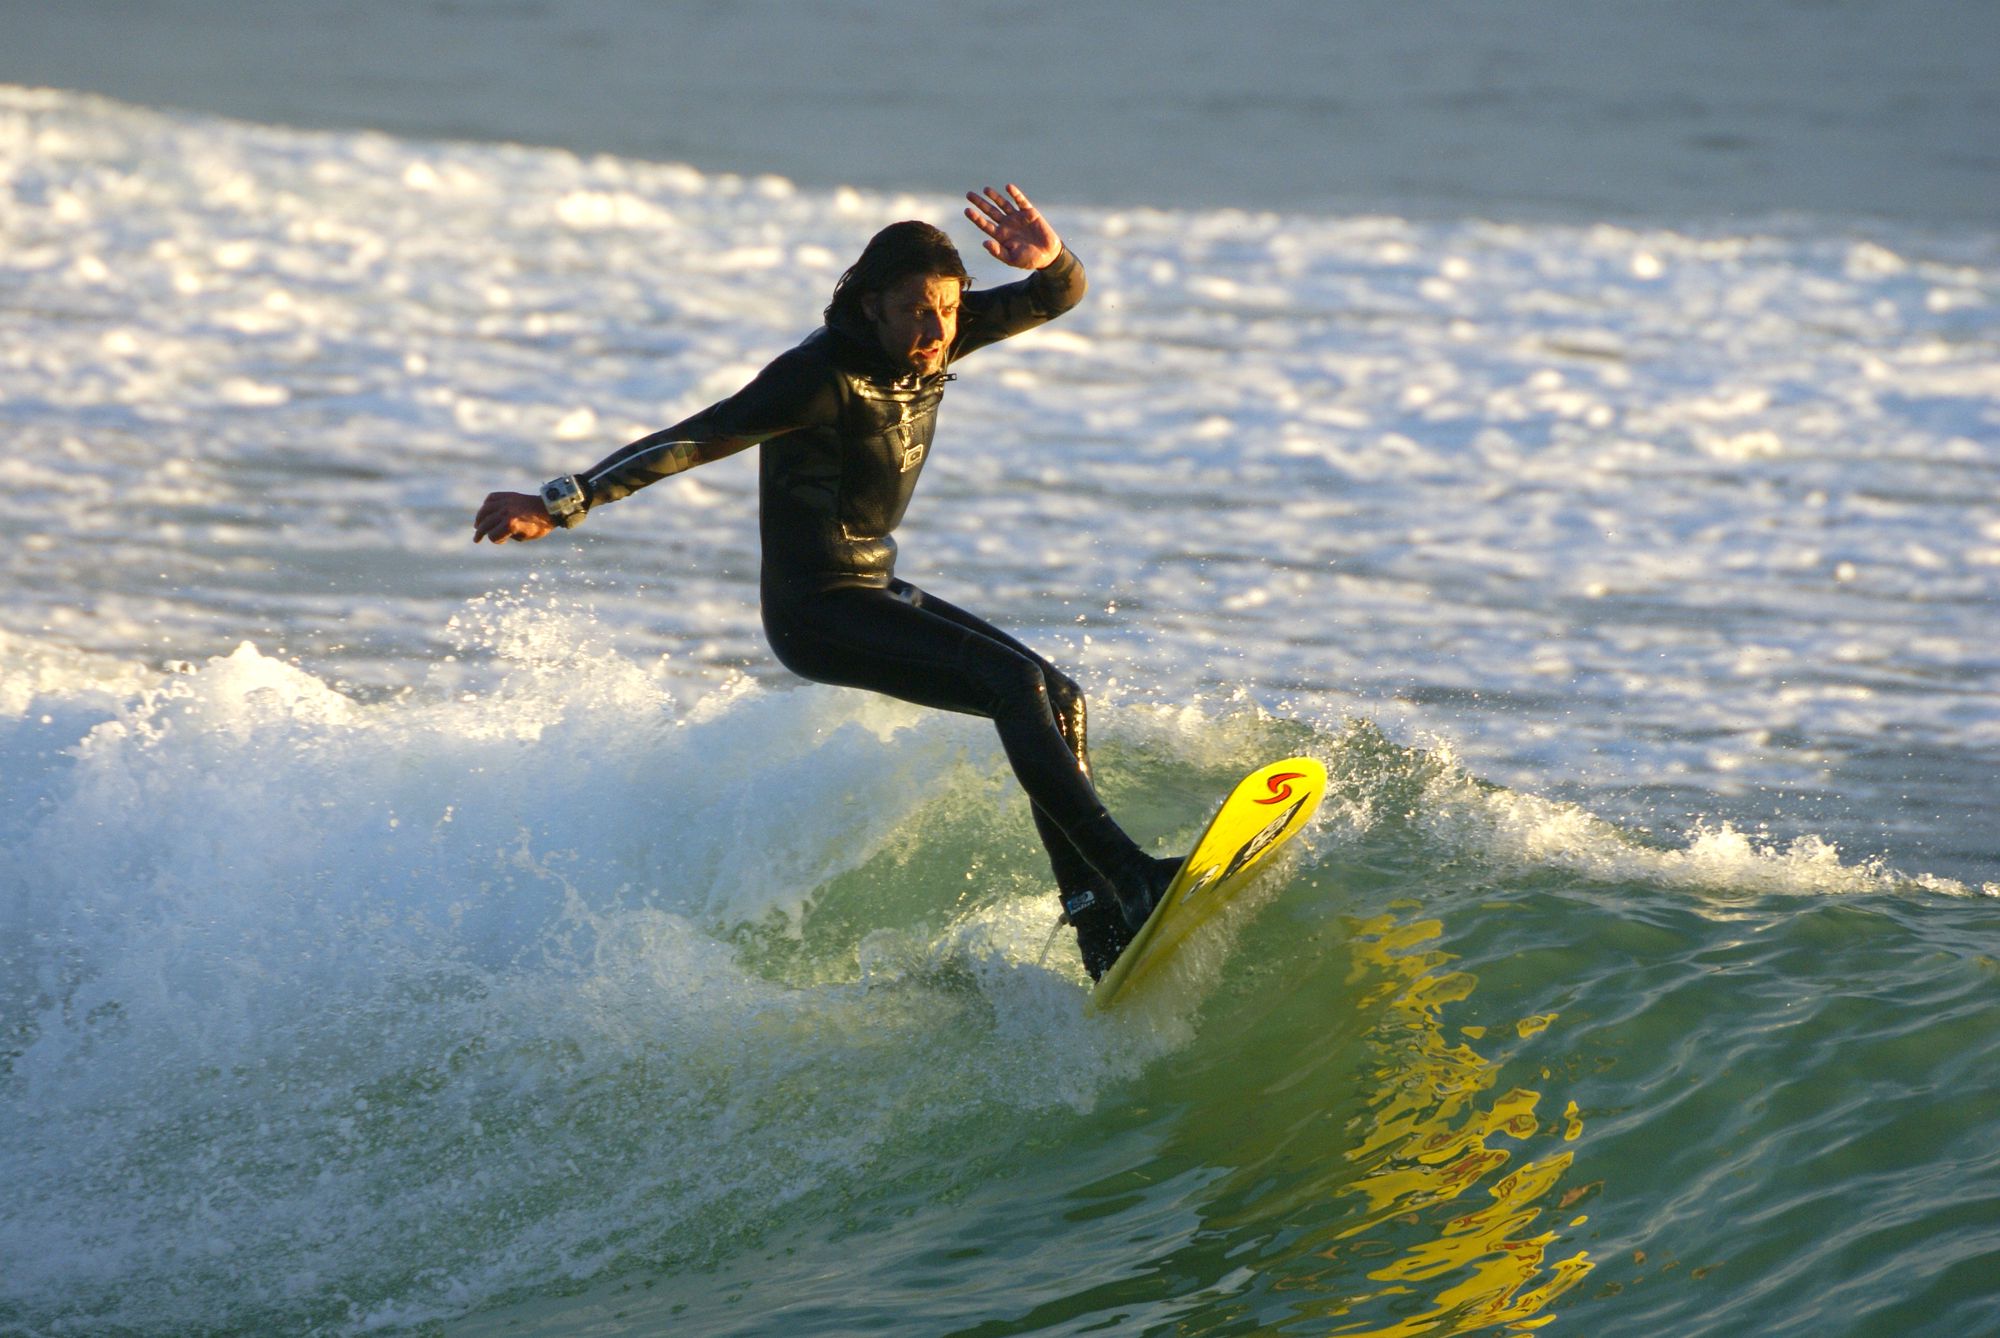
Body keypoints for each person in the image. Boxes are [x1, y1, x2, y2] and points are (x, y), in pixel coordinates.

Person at [474, 184, 1177, 980]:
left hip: (874, 585)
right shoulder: (817, 377)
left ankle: (1097, 919)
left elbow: (1056, 297)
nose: (936, 328)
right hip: (817, 612)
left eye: (947, 308)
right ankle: (1131, 876)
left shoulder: (940, 340)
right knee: (1012, 682)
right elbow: (693, 440)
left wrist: (1048, 259)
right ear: (871, 305)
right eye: (916, 310)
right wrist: (562, 501)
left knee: (1060, 696)